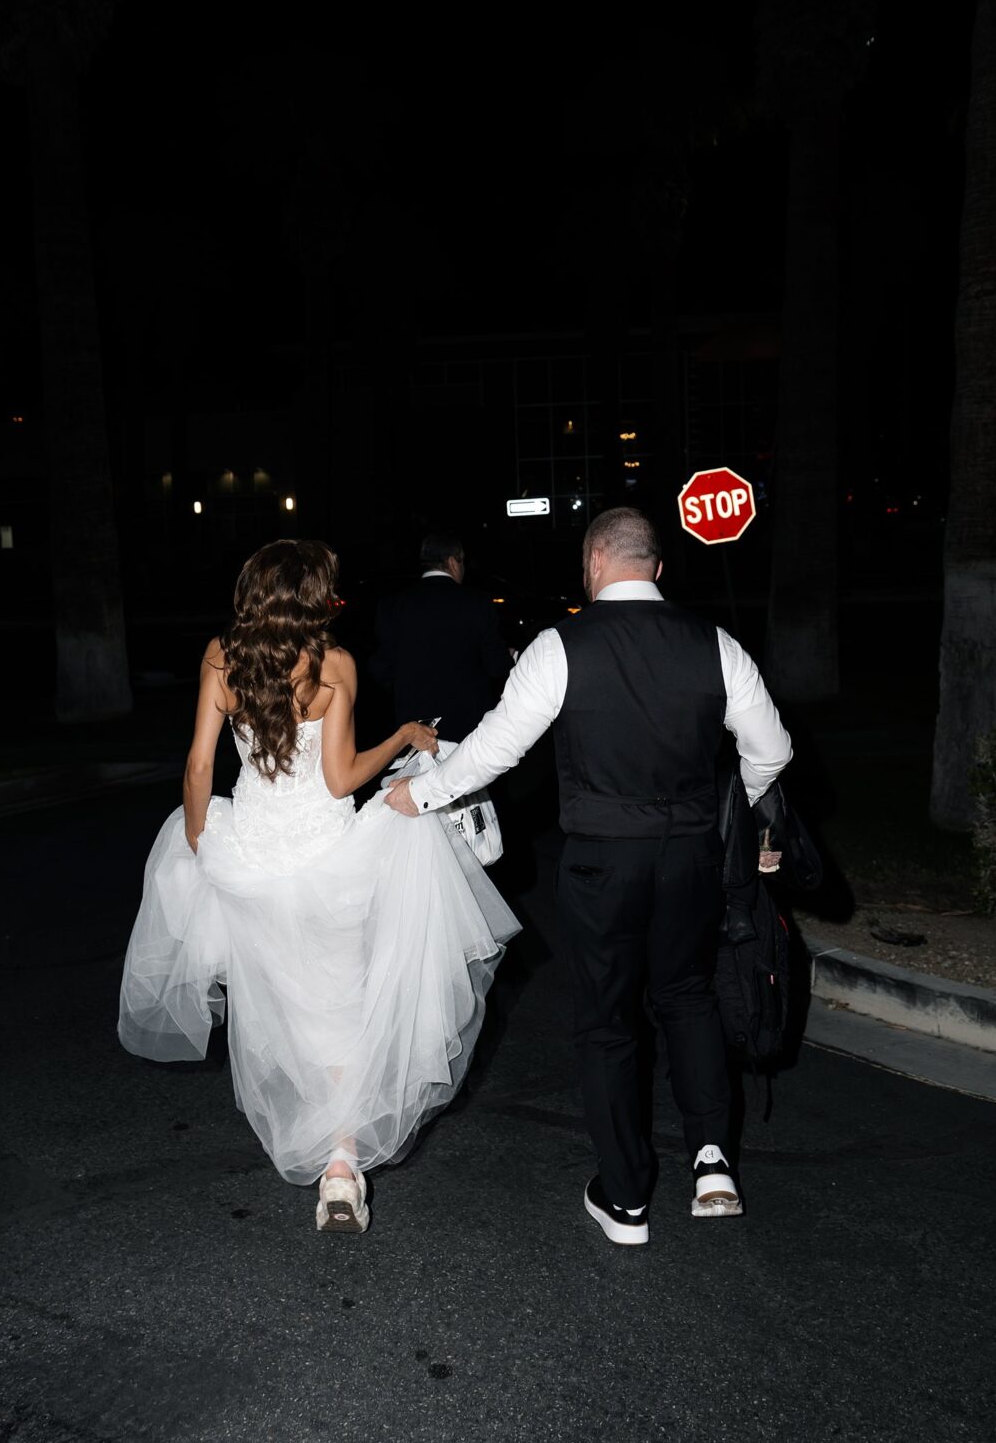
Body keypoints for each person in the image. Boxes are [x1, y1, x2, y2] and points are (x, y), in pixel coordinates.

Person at [386, 506, 792, 1247]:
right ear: (657, 567)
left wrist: (421, 791)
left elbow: (495, 750)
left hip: (603, 859)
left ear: (592, 563)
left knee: (607, 1023)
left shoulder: (558, 646)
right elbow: (769, 750)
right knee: (687, 996)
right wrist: (736, 804)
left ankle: (628, 1200)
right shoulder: (715, 644)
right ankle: (711, 1160)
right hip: (689, 856)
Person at [119, 539, 518, 1234]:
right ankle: (341, 1165)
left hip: (252, 854)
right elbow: (340, 780)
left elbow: (195, 768)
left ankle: (329, 1149)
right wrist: (400, 737)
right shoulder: (333, 663)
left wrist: (203, 846)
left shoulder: (221, 656)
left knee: (286, 1009)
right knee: (339, 1006)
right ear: (314, 598)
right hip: (329, 858)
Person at [369, 532, 514, 743]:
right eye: (462, 561)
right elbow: (496, 666)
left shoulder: (392, 606)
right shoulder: (477, 603)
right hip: (467, 731)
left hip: (415, 731)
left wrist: (408, 688)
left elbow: (380, 667)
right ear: (453, 562)